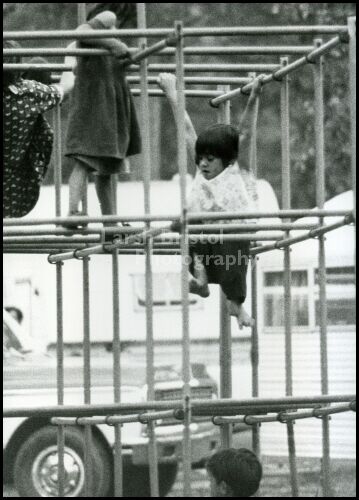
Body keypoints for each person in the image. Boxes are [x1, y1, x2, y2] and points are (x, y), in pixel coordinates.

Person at [157, 73, 261, 329]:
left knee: (234, 245)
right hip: (206, 247)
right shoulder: (200, 175)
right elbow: (186, 127)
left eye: (210, 159)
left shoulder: (235, 169)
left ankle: (236, 306)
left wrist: (255, 95)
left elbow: (245, 131)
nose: (203, 163)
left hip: (232, 241)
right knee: (191, 229)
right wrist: (172, 91)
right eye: (200, 158)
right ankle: (201, 283)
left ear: (226, 159)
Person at [64, 3, 141, 231]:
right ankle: (73, 212)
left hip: (111, 114)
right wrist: (116, 44)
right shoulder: (106, 19)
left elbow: (123, 65)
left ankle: (111, 224)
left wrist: (129, 55)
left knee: (106, 171)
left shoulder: (114, 40)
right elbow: (81, 32)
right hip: (95, 110)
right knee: (83, 163)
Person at [3, 40, 75, 218]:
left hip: (13, 184)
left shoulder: (28, 92)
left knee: (39, 66)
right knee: (39, 66)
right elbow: (65, 89)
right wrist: (71, 56)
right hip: (14, 189)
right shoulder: (28, 93)